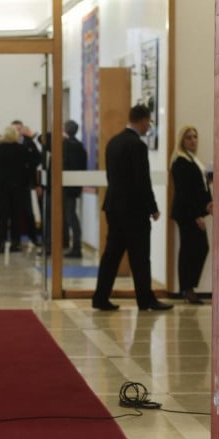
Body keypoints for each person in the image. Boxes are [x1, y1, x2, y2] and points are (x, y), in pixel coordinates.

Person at [92, 104, 173, 312]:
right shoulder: (137, 145)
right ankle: (146, 300)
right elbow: (141, 181)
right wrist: (152, 207)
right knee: (140, 257)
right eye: (149, 122)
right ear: (144, 120)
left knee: (111, 255)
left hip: (114, 206)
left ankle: (100, 297)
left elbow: (112, 177)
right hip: (134, 211)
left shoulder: (113, 142)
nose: (149, 126)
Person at [170, 125, 213, 305]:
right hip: (187, 213)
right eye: (188, 137)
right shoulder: (181, 162)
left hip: (193, 211)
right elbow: (185, 192)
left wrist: (208, 203)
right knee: (192, 249)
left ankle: (188, 287)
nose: (193, 140)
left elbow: (199, 186)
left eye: (195, 137)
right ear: (182, 140)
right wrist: (197, 215)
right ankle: (187, 288)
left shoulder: (193, 160)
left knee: (197, 248)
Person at [0, 125, 31, 254]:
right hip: (18, 186)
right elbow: (29, 167)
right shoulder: (22, 149)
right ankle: (15, 243)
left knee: (3, 215)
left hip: (2, 185)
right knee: (16, 216)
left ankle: (1, 243)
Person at [62, 120, 88, 258]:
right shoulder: (80, 146)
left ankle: (76, 247)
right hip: (76, 185)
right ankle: (75, 245)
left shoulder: (65, 145)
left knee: (71, 216)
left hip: (67, 186)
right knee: (71, 216)